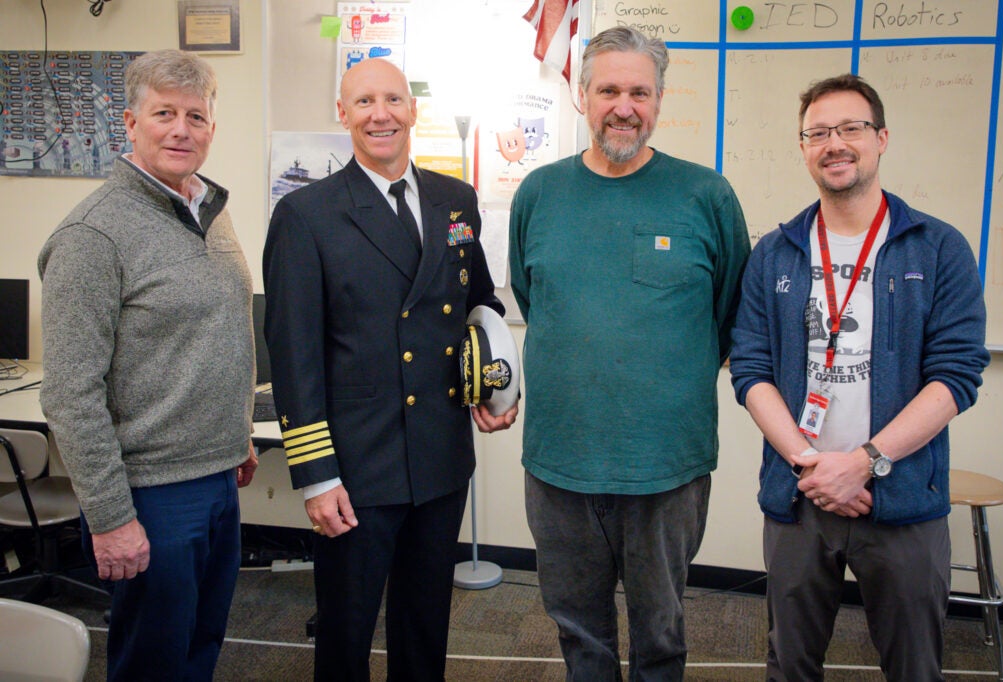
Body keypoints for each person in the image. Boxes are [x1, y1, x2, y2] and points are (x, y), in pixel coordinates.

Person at [262, 57, 517, 682]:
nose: (382, 114)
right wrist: (316, 476)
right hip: (356, 465)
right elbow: (292, 355)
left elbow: (480, 298)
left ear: (412, 110)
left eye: (394, 100)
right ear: (343, 114)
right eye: (365, 102)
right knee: (346, 632)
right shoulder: (307, 214)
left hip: (439, 455)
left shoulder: (454, 200)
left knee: (426, 626)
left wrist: (495, 377)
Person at [729, 73, 990, 680]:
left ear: (881, 139)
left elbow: (955, 375)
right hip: (801, 495)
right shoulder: (775, 252)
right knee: (790, 663)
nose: (834, 143)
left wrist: (863, 461)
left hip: (900, 498)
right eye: (817, 132)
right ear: (803, 148)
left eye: (850, 128)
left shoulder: (937, 247)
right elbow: (751, 368)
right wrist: (808, 463)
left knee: (913, 665)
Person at [509, 26, 751, 680]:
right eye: (609, 89)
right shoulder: (539, 194)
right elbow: (537, 302)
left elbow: (731, 315)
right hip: (560, 462)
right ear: (582, 97)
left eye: (639, 91)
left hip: (666, 467)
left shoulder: (706, 196)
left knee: (661, 635)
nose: (624, 105)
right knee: (578, 631)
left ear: (659, 102)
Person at [38, 49, 259, 680]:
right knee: (152, 661)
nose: (181, 129)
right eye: (164, 113)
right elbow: (72, 394)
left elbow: (215, 335)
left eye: (196, 115)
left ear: (213, 127)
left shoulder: (209, 212)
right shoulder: (94, 235)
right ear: (130, 123)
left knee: (200, 645)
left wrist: (235, 432)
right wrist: (110, 518)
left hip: (217, 475)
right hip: (149, 492)